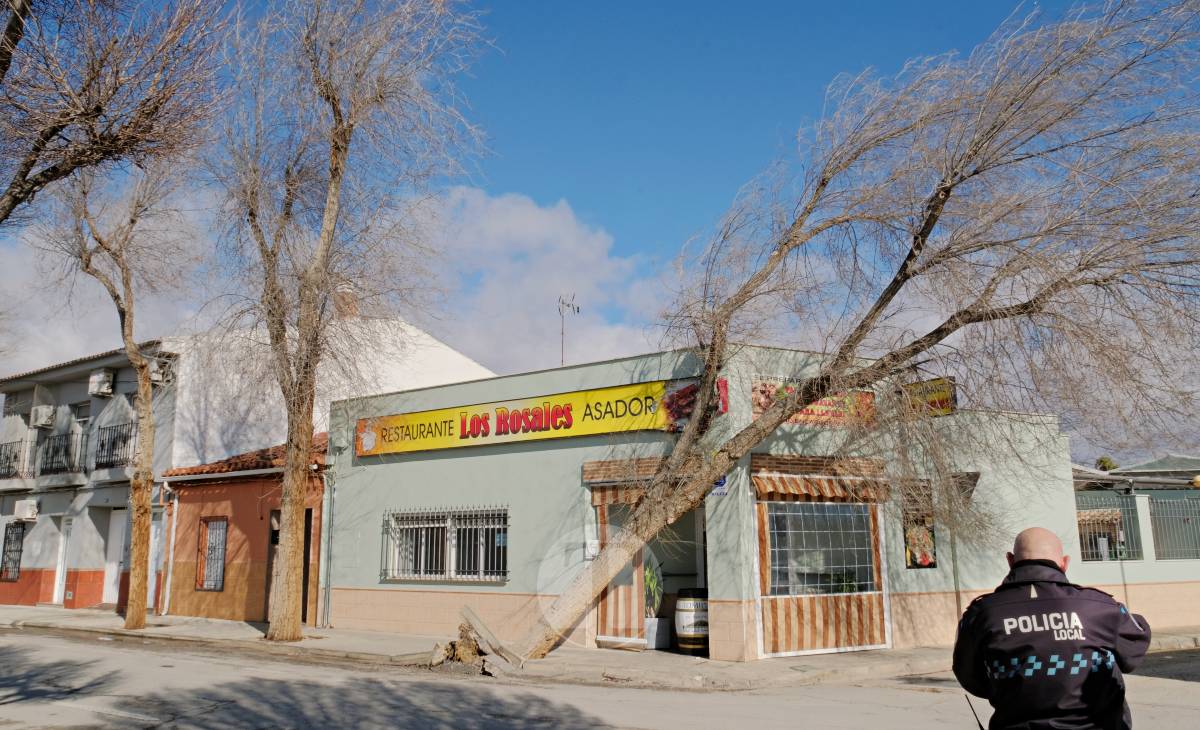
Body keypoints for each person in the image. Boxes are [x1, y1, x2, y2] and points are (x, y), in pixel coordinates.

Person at [953, 527, 1151, 730]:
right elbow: (1133, 649)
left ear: (1010, 560)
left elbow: (970, 676)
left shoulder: (982, 613)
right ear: (1064, 563)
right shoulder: (1100, 607)